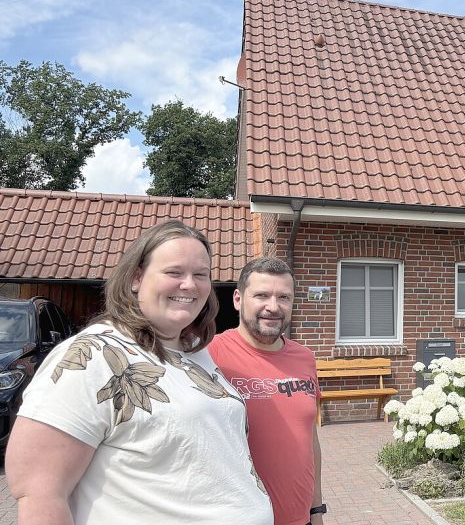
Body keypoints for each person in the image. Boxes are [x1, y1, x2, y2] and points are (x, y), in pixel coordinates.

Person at [6, 220, 273, 525]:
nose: (190, 284)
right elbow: (39, 491)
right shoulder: (92, 356)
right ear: (136, 278)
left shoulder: (195, 353)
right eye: (174, 272)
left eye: (200, 275)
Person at [208, 257, 324, 525]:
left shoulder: (304, 357)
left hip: (300, 519)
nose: (273, 307)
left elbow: (310, 441)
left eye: (284, 297)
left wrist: (316, 510)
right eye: (262, 295)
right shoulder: (209, 356)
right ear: (238, 299)